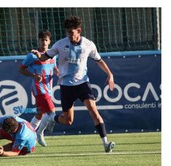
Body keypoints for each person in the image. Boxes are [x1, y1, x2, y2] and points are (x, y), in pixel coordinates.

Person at [31, 15, 115, 153]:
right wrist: (38, 56)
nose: (69, 35)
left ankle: (105, 143)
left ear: (79, 31)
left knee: (93, 111)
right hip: (66, 86)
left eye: (72, 32)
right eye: (67, 32)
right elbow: (46, 56)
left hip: (82, 83)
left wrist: (110, 74)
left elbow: (99, 60)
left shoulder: (89, 45)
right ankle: (52, 118)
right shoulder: (60, 44)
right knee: (68, 121)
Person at [19, 30, 58, 147]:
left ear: (50, 41)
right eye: (42, 40)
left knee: (40, 113)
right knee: (52, 112)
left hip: (49, 87)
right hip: (38, 88)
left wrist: (57, 72)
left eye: (46, 40)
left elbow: (54, 68)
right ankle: (41, 131)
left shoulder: (53, 55)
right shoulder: (32, 56)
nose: (44, 42)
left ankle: (28, 136)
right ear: (39, 41)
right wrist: (33, 76)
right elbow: (21, 69)